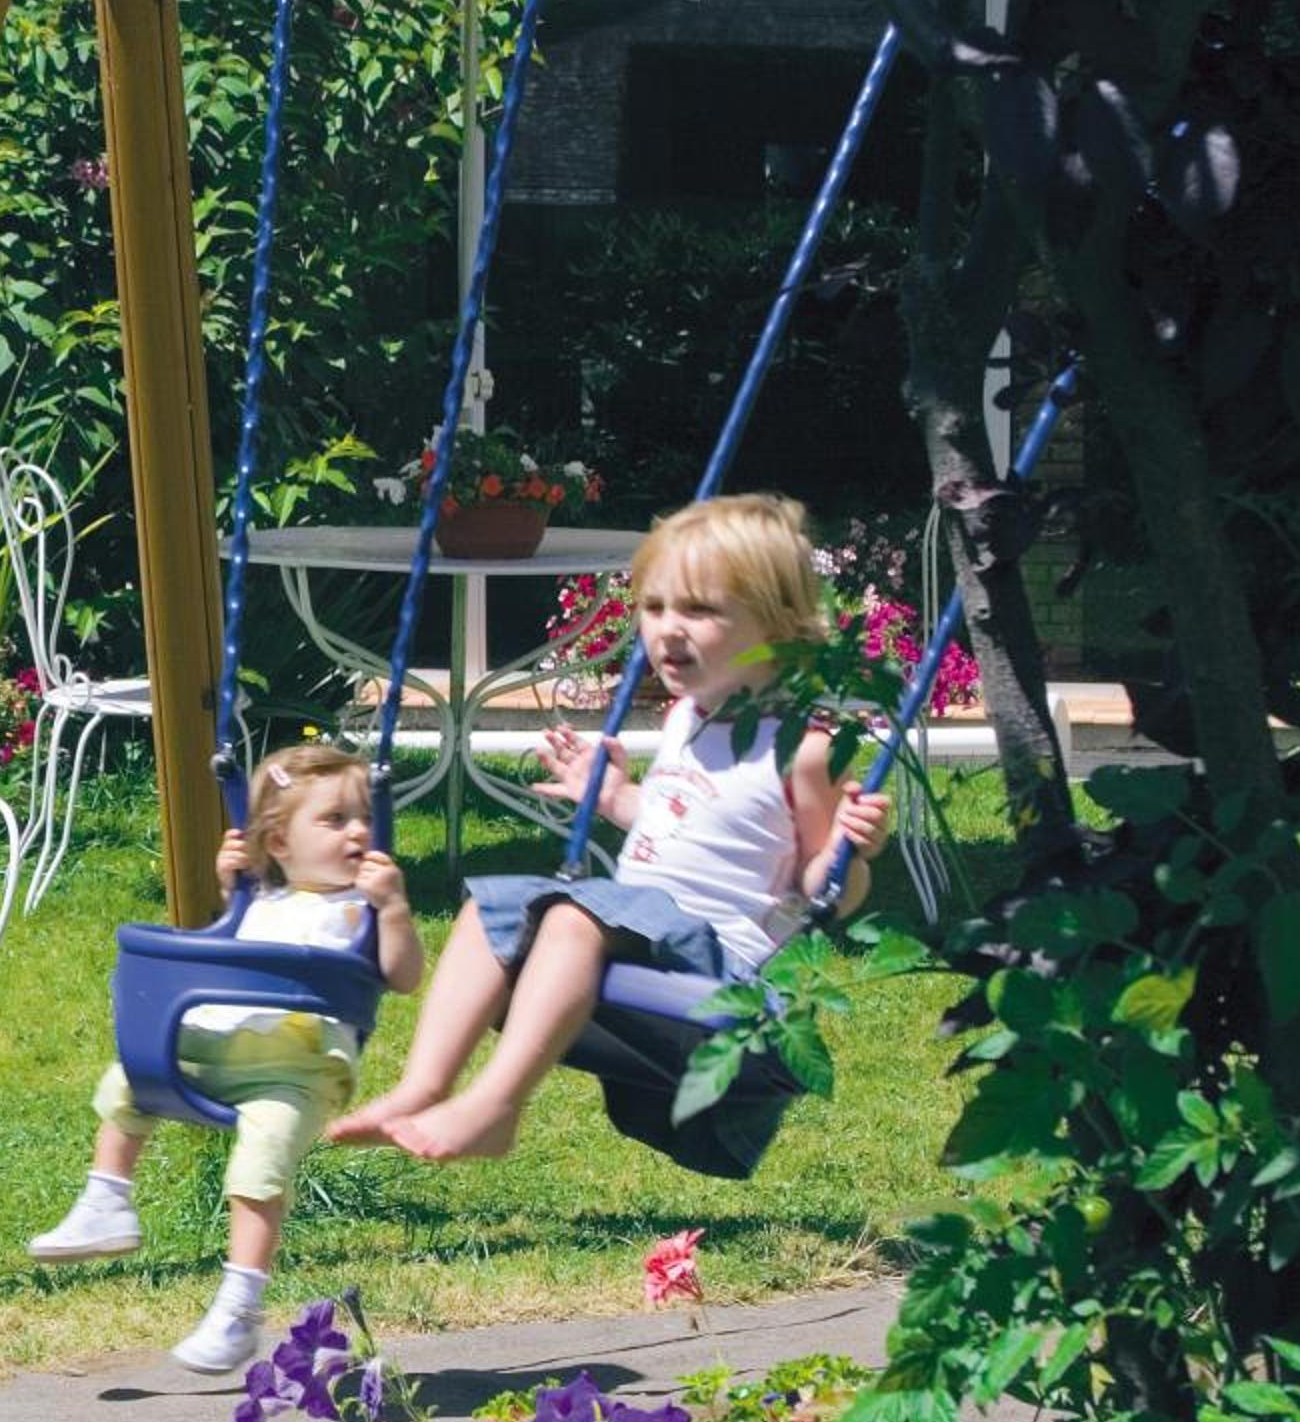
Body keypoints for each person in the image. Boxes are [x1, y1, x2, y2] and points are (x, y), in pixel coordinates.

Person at [329, 492, 893, 1162]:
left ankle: (496, 1106)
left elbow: (822, 893)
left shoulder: (804, 749)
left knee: (572, 919)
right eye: (654, 607)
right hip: (644, 927)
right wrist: (617, 798)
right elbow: (681, 825)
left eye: (699, 609)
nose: (667, 629)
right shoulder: (688, 717)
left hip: (724, 960)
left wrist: (851, 851)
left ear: (779, 623)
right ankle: (421, 1088)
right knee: (487, 910)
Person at [26, 742, 424, 1372]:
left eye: (364, 818)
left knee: (259, 1166)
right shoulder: (261, 901)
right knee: (130, 1075)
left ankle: (239, 1308)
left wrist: (395, 909)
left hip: (296, 1072)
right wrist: (227, 884)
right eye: (335, 819)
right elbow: (226, 947)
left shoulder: (362, 910)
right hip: (217, 1054)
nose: (358, 832)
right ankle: (107, 1200)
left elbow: (403, 977)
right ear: (280, 842)